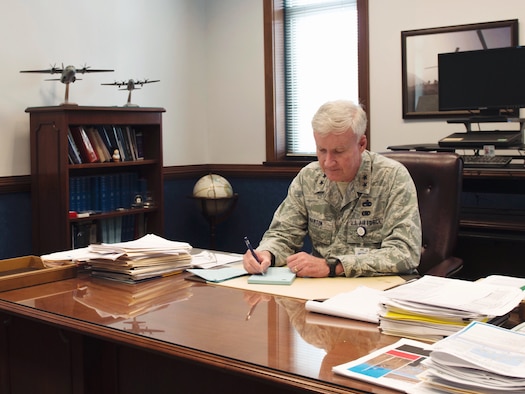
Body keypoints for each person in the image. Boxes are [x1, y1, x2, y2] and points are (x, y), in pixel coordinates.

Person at [243, 99, 421, 277]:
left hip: (379, 291)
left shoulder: (392, 177)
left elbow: (404, 252)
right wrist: (266, 254)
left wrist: (333, 266)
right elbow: (283, 234)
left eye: (338, 151)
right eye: (321, 150)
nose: (328, 162)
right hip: (322, 290)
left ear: (361, 144)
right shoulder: (309, 178)